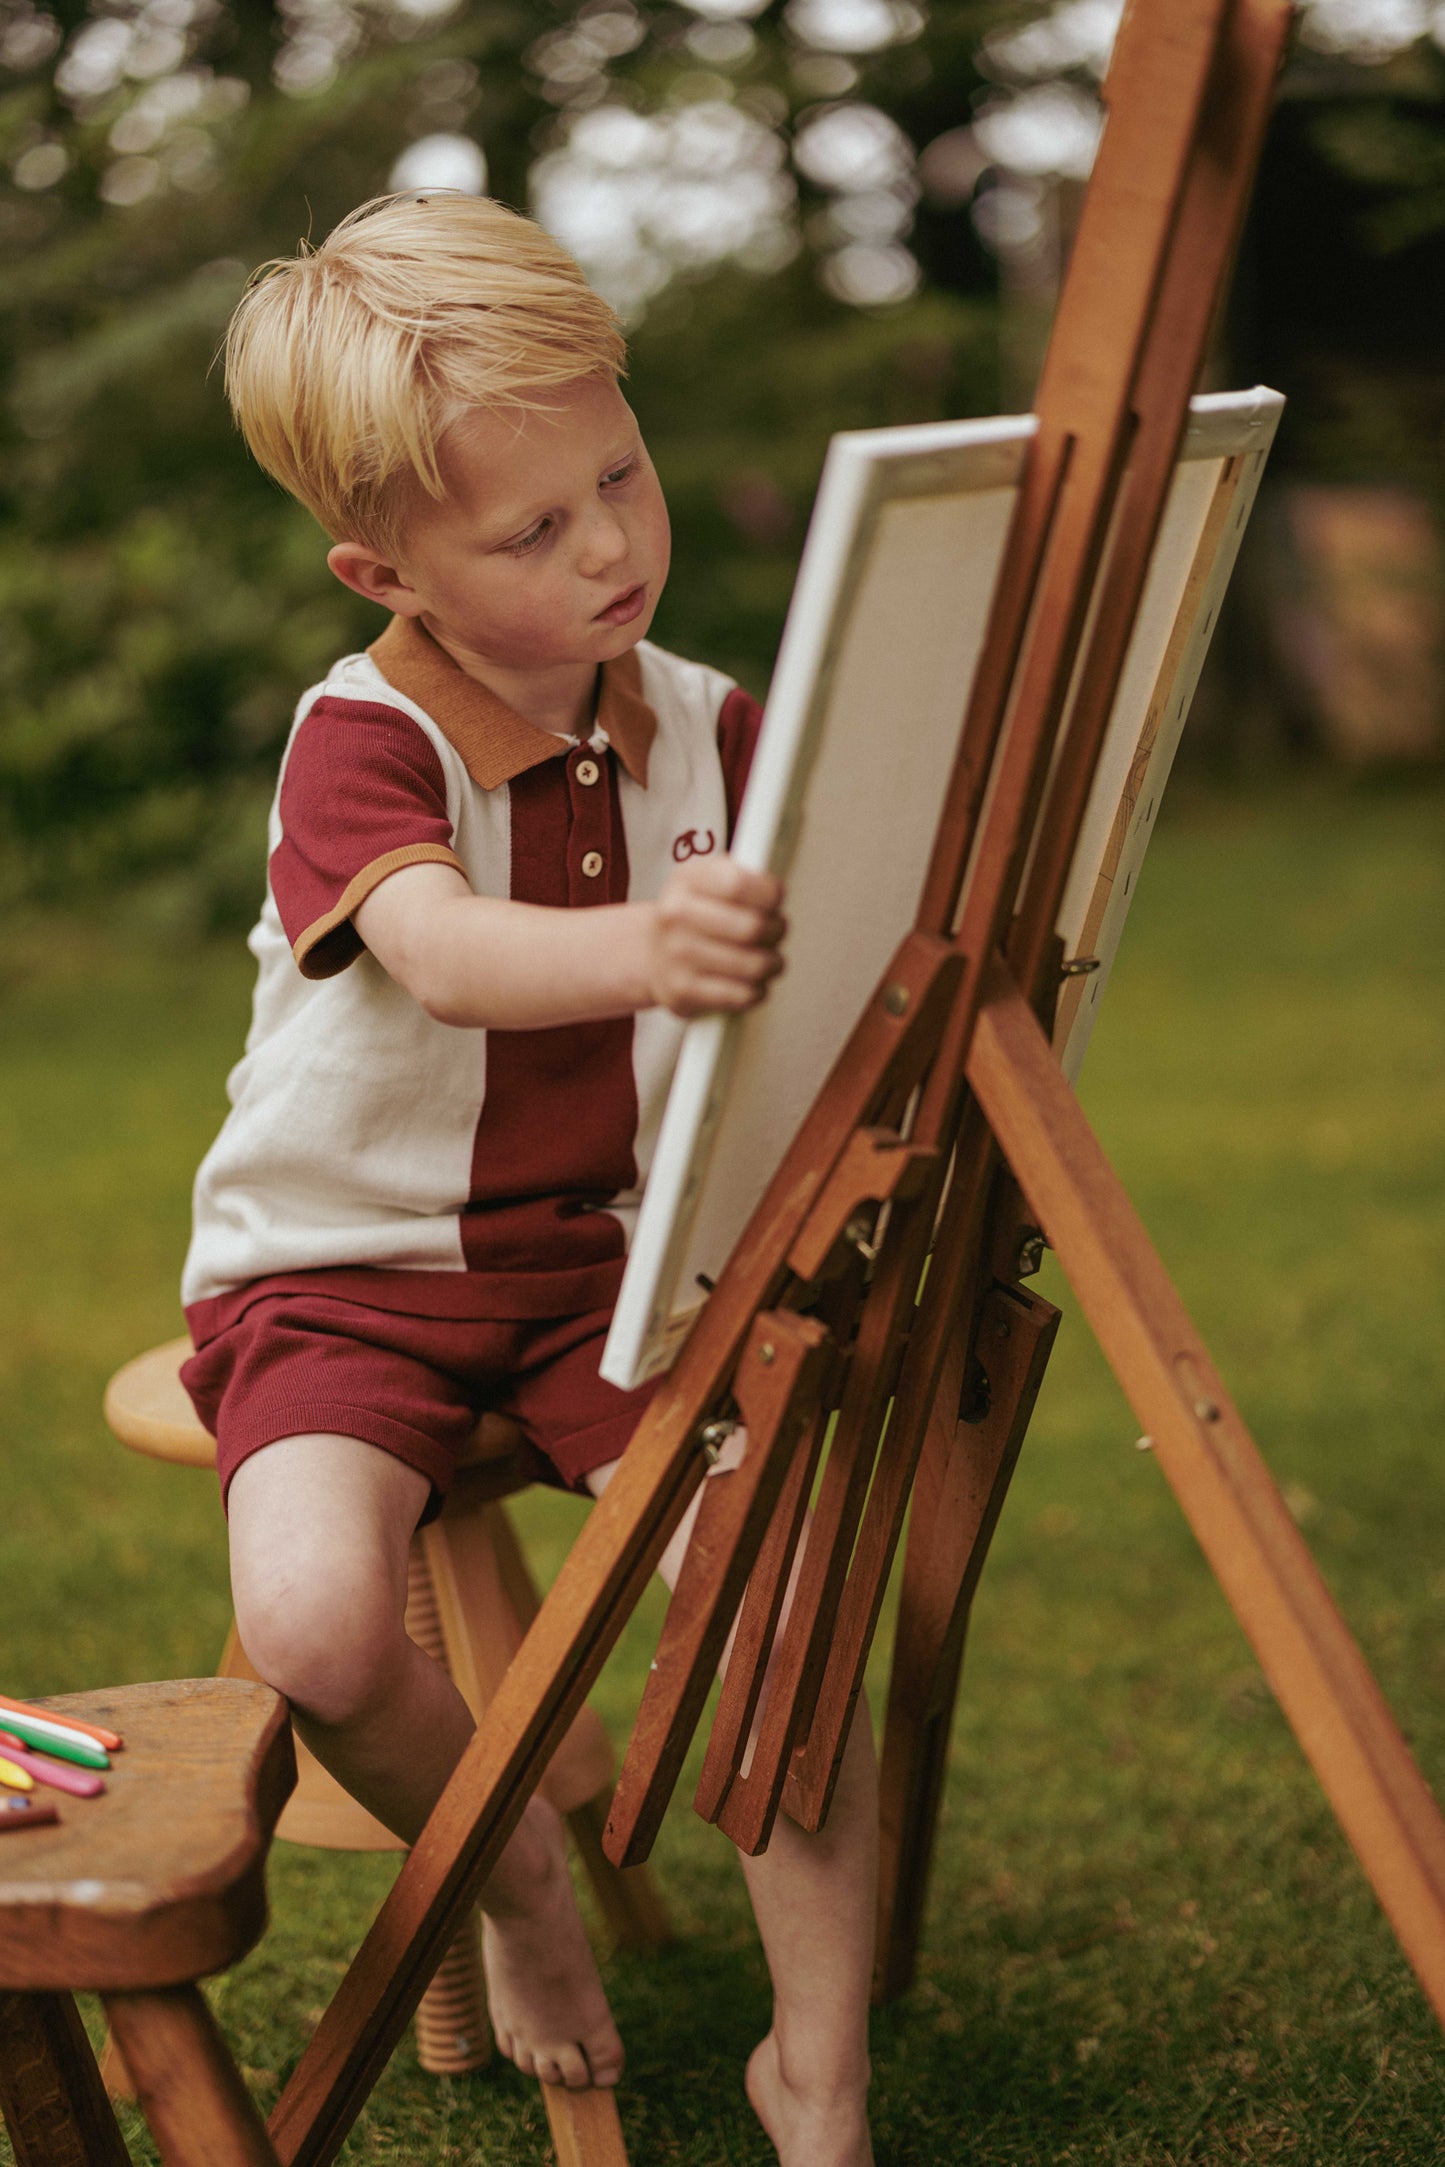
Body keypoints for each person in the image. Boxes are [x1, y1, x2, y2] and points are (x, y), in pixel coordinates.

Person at [180, 191, 877, 2167]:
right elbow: (447, 956)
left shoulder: (709, 719)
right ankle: (516, 1883)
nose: (612, 547)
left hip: (610, 1271)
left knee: (774, 1602)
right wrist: (652, 955)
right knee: (319, 1625)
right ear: (379, 565)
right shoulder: (364, 735)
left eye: (623, 479)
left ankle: (816, 2078)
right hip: (341, 1272)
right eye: (534, 530)